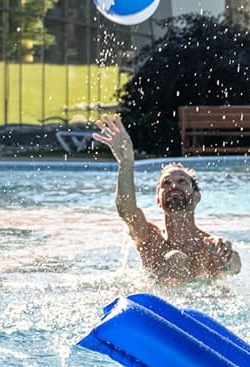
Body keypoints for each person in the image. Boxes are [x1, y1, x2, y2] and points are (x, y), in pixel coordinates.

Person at [90, 112, 241, 283]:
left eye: (182, 181)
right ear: (158, 201)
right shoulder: (150, 238)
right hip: (159, 304)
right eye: (166, 183)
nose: (173, 186)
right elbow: (126, 210)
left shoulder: (209, 245)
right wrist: (126, 164)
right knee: (175, 258)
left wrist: (228, 253)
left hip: (199, 306)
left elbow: (235, 268)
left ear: (196, 197)